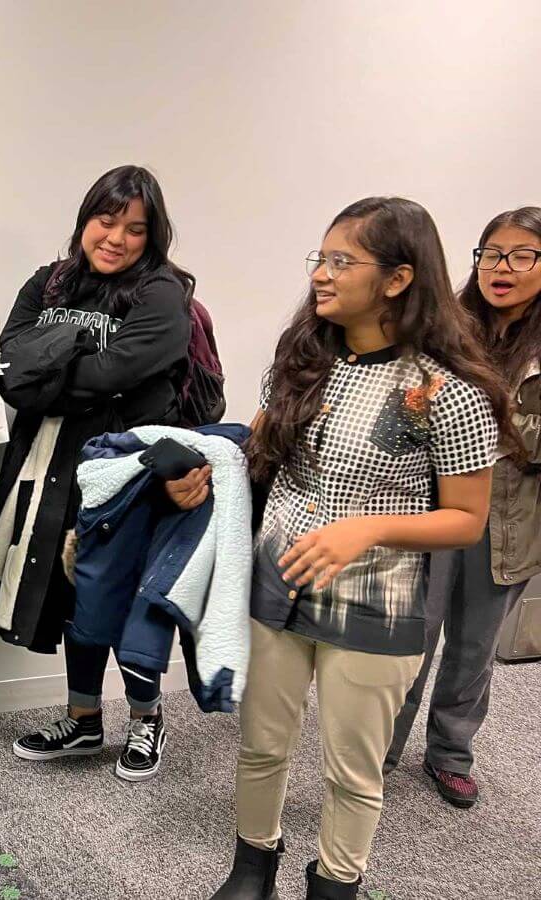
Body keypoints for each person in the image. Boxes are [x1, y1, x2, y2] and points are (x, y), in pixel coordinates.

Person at [198, 198, 514, 900]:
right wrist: (204, 467)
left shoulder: (447, 393)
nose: (322, 274)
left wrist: (365, 527)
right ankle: (253, 870)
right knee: (261, 744)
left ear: (399, 279)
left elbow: (466, 519)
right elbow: (257, 450)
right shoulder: (302, 359)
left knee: (352, 769)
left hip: (379, 598)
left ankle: (336, 884)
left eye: (343, 261)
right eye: (321, 258)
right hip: (278, 581)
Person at [0, 165, 195, 782]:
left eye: (134, 229)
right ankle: (84, 720)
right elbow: (8, 367)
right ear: (86, 221)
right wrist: (65, 371)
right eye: (105, 220)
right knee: (69, 595)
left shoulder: (164, 294)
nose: (115, 238)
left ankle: (146, 718)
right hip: (50, 460)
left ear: (153, 237)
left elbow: (118, 374)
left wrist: (52, 368)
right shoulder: (51, 282)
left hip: (126, 470)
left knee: (121, 595)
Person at [384, 207, 541, 809]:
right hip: (436, 499)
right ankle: (382, 748)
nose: (502, 268)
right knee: (411, 632)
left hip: (512, 515)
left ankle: (450, 753)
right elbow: (405, 401)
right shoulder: (445, 327)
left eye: (521, 255)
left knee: (474, 645)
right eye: (491, 254)